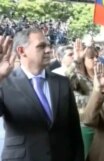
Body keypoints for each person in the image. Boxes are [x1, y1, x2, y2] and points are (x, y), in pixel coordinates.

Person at [0, 28, 84, 161]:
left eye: (48, 46)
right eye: (41, 46)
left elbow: (74, 129)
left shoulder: (62, 82)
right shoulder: (4, 82)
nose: (48, 50)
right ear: (22, 51)